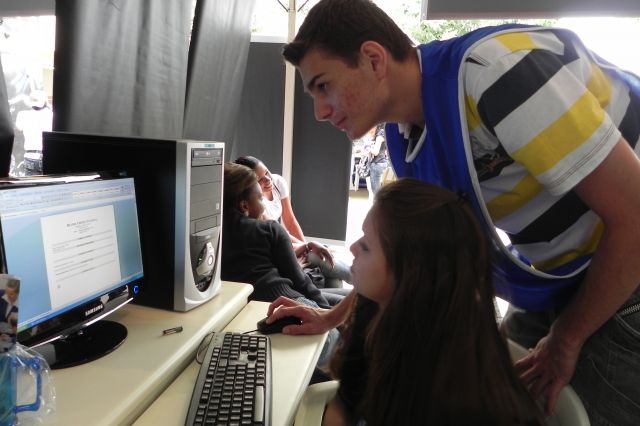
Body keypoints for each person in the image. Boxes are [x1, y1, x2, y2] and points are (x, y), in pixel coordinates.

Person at [266, 1, 640, 424]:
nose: (320, 111)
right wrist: (332, 316)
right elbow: (404, 255)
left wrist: (568, 338)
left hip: (625, 266)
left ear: (373, 59)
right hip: (559, 279)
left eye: (323, 86)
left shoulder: (498, 74)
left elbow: (635, 216)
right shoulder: (407, 137)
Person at [320, 178, 542, 425]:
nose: (352, 248)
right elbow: (346, 399)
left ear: (410, 274)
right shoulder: (372, 312)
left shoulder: (451, 391)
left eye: (366, 246)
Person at [221, 162, 340, 365]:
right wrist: (327, 316)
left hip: (248, 313)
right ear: (244, 206)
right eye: (260, 198)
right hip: (289, 303)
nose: (264, 204)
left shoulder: (211, 239)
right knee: (344, 327)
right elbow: (302, 284)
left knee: (346, 303)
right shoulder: (269, 229)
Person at [234, 156, 352, 289]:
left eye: (267, 172)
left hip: (284, 243)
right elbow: (277, 243)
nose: (267, 179)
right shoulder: (255, 207)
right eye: (260, 179)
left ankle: (351, 293)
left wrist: (305, 246)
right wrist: (305, 248)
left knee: (327, 265)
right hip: (281, 251)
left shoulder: (277, 183)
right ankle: (360, 280)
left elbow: (289, 221)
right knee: (321, 258)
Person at [365, 124, 388, 198]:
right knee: (373, 189)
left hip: (378, 163)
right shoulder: (376, 134)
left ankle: (380, 203)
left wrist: (367, 148)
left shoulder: (380, 135)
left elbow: (375, 152)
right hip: (377, 163)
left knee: (376, 191)